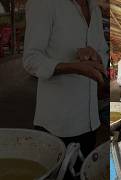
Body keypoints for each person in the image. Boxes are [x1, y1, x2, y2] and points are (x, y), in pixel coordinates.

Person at [23, 0, 108, 157]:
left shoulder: (94, 9)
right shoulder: (43, 4)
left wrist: (96, 56)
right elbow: (31, 59)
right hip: (58, 123)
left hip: (90, 120)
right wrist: (72, 67)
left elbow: (103, 49)